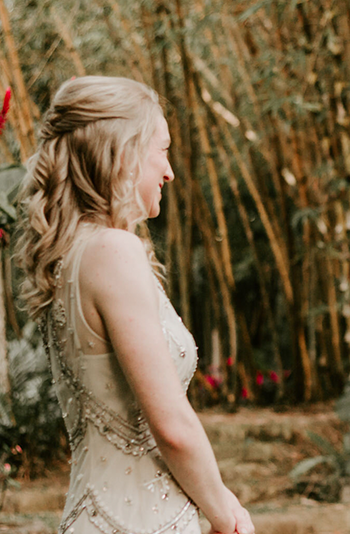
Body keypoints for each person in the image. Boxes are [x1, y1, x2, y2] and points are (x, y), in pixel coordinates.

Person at [16, 76, 254, 534]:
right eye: (162, 151)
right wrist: (228, 517)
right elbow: (172, 426)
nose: (169, 172)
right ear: (124, 154)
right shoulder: (113, 252)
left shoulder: (70, 254)